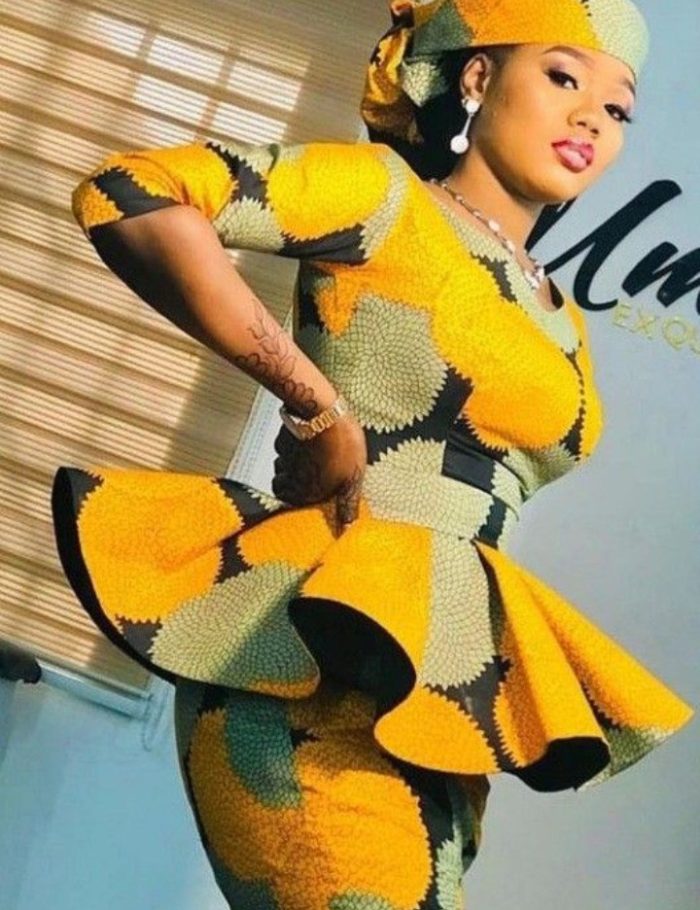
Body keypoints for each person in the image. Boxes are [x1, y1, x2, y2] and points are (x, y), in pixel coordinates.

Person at [50, 1, 695, 907]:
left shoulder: (561, 317)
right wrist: (313, 402)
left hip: (439, 684)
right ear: (477, 78)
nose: (592, 118)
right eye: (563, 77)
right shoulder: (384, 194)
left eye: (619, 109)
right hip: (308, 646)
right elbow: (128, 192)